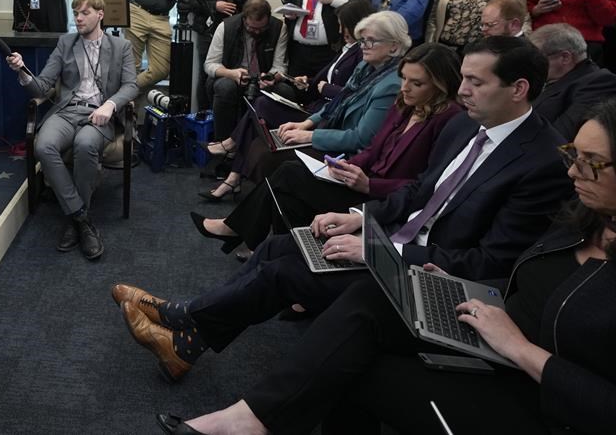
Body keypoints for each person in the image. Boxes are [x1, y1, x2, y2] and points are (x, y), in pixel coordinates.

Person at [114, 37, 571, 383]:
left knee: (283, 272)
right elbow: (418, 192)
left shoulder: (540, 160)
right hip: (393, 237)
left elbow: (493, 263)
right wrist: (361, 219)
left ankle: (182, 321)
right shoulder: (468, 126)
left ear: (519, 89)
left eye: (475, 82)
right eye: (463, 79)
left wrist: (377, 251)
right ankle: (187, 338)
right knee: (278, 246)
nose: (463, 90)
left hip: (432, 276)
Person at [154, 99, 616, 435]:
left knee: (343, 359)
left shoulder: (538, 170)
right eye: (573, 157)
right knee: (348, 298)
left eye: (592, 163)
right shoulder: (585, 217)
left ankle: (218, 372)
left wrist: (520, 349)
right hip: (496, 328)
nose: (574, 172)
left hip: (545, 392)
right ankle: (240, 409)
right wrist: (457, 284)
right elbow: (519, 274)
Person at [197, 43, 463, 250]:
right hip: (362, 182)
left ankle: (241, 232)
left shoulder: (448, 120)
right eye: (404, 78)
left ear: (441, 85)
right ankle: (282, 258)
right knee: (288, 183)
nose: (404, 88)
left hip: (383, 199)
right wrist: (347, 166)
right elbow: (373, 149)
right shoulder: (405, 104)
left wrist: (368, 184)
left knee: (288, 177)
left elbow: (427, 186)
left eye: (416, 83)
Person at [199, 11, 407, 201]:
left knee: (265, 153)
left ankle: (237, 175)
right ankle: (252, 205)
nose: (363, 46)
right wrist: (306, 124)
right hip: (326, 123)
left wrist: (310, 135)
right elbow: (339, 102)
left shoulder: (390, 85)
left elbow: (360, 138)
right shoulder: (366, 67)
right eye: (362, 40)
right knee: (262, 133)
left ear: (394, 47)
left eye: (371, 41)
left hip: (345, 152)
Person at [5, 0, 138, 260]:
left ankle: (74, 218)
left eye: (84, 13)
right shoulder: (66, 43)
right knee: (44, 145)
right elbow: (42, 85)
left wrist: (110, 105)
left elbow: (131, 85)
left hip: (99, 114)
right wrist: (21, 70)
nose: (78, 18)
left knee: (86, 144)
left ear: (100, 14)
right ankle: (79, 217)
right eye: (75, 13)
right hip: (66, 111)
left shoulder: (120, 46)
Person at [202, 0, 288, 141]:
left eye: (261, 28)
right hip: (232, 77)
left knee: (285, 91)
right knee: (225, 87)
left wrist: (272, 77)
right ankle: (223, 142)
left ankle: (274, 142)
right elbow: (210, 64)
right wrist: (231, 73)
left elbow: (280, 66)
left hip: (263, 79)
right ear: (244, 19)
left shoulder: (278, 28)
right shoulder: (225, 27)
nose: (257, 32)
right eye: (251, 28)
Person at [187, 0, 253, 110]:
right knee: (206, 74)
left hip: (234, 33)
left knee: (233, 74)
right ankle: (205, 115)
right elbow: (190, 2)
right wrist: (214, 5)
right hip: (207, 32)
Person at [529, 23, 616, 141]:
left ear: (565, 57)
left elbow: (561, 135)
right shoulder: (547, 78)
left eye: (537, 59)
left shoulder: (598, 83)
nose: (532, 65)